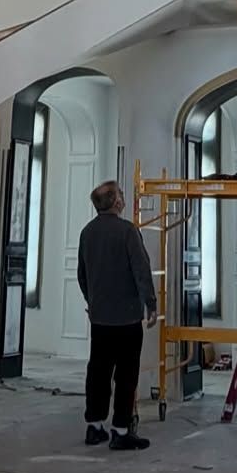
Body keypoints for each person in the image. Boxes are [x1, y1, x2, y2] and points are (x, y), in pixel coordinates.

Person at [77, 179, 158, 451]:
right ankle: (121, 430)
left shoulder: (87, 232)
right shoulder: (127, 231)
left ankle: (94, 426)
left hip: (99, 319)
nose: (123, 197)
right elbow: (141, 270)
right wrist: (151, 303)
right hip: (126, 319)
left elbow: (82, 274)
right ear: (116, 202)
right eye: (121, 194)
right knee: (126, 375)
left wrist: (92, 301)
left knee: (97, 372)